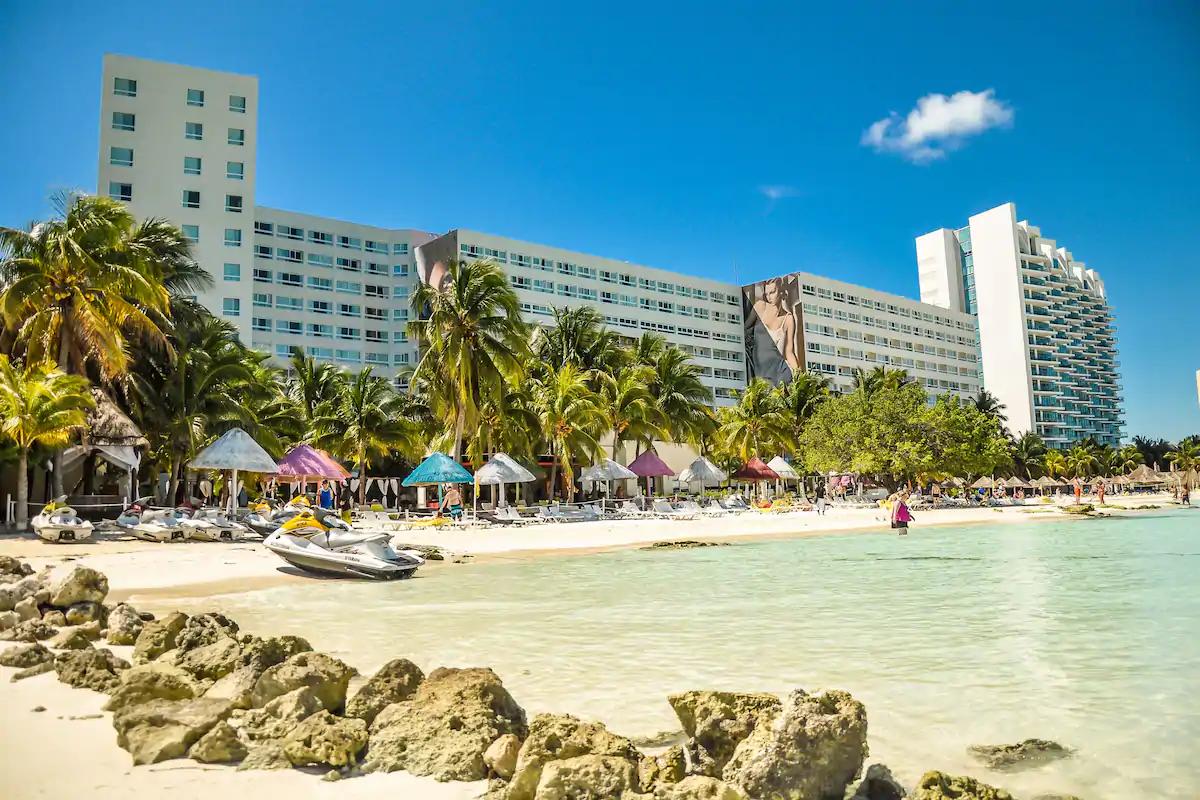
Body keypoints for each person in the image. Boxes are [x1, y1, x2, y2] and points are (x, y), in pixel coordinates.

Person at [746, 277, 801, 383]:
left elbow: (789, 352)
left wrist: (800, 376)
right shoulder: (760, 307)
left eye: (772, 292)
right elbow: (744, 329)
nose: (769, 297)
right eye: (767, 294)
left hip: (778, 371)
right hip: (759, 370)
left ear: (781, 292)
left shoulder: (788, 318)